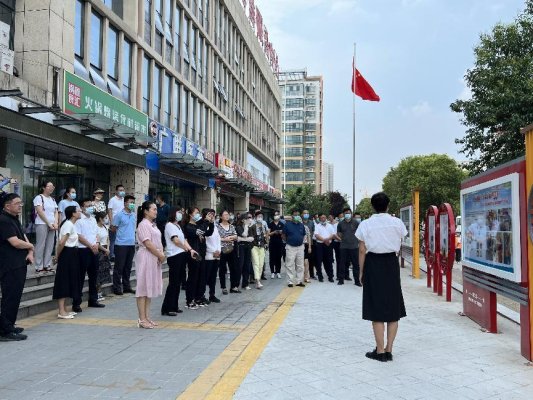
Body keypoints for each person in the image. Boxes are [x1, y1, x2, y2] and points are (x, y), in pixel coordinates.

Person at [355, 192, 407, 362]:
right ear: (388, 205)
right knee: (393, 309)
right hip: (391, 264)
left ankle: (379, 351)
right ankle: (389, 350)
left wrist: (361, 271)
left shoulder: (366, 224)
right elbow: (401, 239)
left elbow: (362, 250)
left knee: (376, 308)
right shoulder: (397, 223)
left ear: (373, 206)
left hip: (373, 263)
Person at [0, 194, 33, 341]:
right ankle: (5, 330)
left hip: (18, 263)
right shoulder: (3, 220)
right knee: (10, 297)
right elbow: (15, 242)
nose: (20, 206)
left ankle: (9, 325)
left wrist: (30, 251)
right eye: (17, 203)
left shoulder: (13, 219)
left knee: (15, 296)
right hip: (10, 265)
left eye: (21, 203)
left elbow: (22, 237)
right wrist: (31, 246)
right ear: (7, 206)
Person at [161, 207, 197, 316]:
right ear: (173, 213)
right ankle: (168, 308)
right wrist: (184, 248)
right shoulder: (169, 225)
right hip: (174, 255)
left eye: (182, 212)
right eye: (179, 212)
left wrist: (190, 249)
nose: (181, 214)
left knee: (178, 283)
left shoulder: (178, 226)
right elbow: (175, 240)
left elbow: (184, 240)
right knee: (173, 282)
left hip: (181, 255)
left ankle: (174, 306)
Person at [135, 201, 165, 329]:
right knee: (143, 288)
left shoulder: (153, 225)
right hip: (146, 256)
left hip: (154, 257)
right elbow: (147, 243)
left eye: (156, 209)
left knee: (149, 288)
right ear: (146, 211)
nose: (156, 211)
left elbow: (158, 242)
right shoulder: (143, 225)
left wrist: (161, 253)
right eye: (153, 209)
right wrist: (159, 255)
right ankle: (141, 319)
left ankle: (147, 317)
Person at [74, 199, 105, 312]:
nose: (91, 207)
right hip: (83, 250)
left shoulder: (93, 219)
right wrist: (90, 245)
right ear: (82, 208)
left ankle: (93, 299)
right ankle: (76, 302)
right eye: (88, 206)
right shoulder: (79, 219)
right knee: (80, 277)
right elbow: (79, 236)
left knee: (94, 276)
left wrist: (96, 244)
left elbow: (96, 234)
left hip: (94, 250)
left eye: (92, 205)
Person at [52, 205, 82, 319]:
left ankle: (64, 309)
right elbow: (61, 243)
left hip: (72, 254)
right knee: (63, 280)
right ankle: (61, 311)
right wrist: (57, 256)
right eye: (78, 211)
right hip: (67, 254)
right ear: (73, 214)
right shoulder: (68, 225)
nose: (80, 212)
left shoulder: (71, 224)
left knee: (69, 279)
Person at [183, 207, 213, 309]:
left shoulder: (198, 225)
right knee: (192, 277)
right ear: (190, 215)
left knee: (201, 277)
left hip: (201, 254)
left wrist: (211, 222)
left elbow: (208, 232)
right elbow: (200, 231)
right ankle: (189, 300)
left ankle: (198, 297)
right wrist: (206, 221)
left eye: (199, 213)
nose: (198, 215)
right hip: (193, 255)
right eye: (196, 213)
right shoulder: (188, 227)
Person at [112, 195, 136, 295]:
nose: (132, 204)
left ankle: (126, 286)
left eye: (133, 203)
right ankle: (117, 288)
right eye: (131, 202)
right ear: (125, 203)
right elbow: (113, 228)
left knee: (128, 267)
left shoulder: (134, 215)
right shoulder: (119, 215)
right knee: (119, 267)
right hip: (121, 244)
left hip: (131, 244)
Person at [33, 181, 59, 273]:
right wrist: (48, 223)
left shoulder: (52, 199)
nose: (52, 188)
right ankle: (38, 266)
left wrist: (55, 223)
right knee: (41, 244)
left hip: (52, 225)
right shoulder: (39, 198)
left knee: (50, 245)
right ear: (44, 187)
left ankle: (46, 265)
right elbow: (40, 212)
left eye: (53, 186)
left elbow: (56, 211)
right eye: (49, 186)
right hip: (42, 223)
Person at [336, 208, 361, 286]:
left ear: (351, 213)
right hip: (344, 246)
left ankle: (357, 281)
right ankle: (341, 280)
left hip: (354, 246)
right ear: (343, 214)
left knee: (356, 264)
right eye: (346, 213)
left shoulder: (356, 222)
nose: (347, 214)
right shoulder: (340, 224)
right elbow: (339, 234)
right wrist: (344, 238)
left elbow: (359, 233)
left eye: (349, 213)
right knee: (342, 263)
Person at [282, 210, 306, 288]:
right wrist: (289, 241)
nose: (297, 216)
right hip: (290, 247)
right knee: (289, 264)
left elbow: (303, 235)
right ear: (292, 216)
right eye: (295, 215)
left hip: (300, 247)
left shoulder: (301, 225)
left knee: (300, 265)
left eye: (298, 215)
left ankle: (299, 281)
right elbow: (283, 235)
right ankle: (290, 281)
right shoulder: (287, 225)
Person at [217, 210, 238, 295]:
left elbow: (236, 236)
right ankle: (223, 287)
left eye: (228, 214)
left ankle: (233, 287)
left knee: (233, 268)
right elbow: (216, 238)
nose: (227, 216)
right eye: (225, 214)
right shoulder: (217, 226)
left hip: (231, 249)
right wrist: (224, 239)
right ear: (221, 217)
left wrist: (232, 237)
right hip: (222, 249)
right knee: (222, 269)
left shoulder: (232, 226)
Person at [205, 209, 222, 302]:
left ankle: (212, 294)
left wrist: (218, 250)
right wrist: (213, 251)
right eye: (210, 215)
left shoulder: (214, 227)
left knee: (213, 276)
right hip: (209, 255)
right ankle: (202, 295)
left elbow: (218, 240)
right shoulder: (205, 226)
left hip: (216, 255)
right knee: (206, 276)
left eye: (213, 215)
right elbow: (206, 241)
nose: (212, 217)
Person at [314, 213, 336, 282]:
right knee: (319, 261)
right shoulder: (317, 226)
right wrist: (324, 240)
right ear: (319, 219)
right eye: (322, 218)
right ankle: (320, 276)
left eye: (324, 217)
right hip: (320, 245)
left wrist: (327, 240)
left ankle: (330, 276)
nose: (323, 219)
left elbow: (333, 234)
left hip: (328, 245)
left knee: (329, 261)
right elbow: (316, 235)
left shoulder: (330, 225)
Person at [95, 212, 111, 301]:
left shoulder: (105, 227)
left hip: (105, 250)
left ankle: (99, 291)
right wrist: (105, 250)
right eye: (105, 218)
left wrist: (108, 248)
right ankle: (96, 292)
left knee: (104, 272)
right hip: (100, 250)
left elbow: (108, 238)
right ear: (100, 219)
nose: (106, 219)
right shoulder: (95, 228)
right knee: (98, 272)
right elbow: (97, 242)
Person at [236, 213, 254, 291]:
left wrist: (242, 238)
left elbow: (252, 238)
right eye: (247, 219)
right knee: (240, 265)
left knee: (247, 265)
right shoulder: (239, 227)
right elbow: (244, 234)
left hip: (248, 247)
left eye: (250, 218)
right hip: (241, 247)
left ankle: (245, 284)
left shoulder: (250, 227)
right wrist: (244, 238)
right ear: (243, 220)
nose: (249, 220)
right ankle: (236, 284)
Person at [107, 185, 126, 260]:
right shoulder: (112, 200)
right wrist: (112, 222)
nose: (122, 192)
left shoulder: (124, 200)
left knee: (120, 239)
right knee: (113, 239)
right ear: (116, 191)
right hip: (114, 223)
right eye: (120, 190)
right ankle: (112, 255)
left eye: (123, 190)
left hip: (122, 224)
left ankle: (118, 254)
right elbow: (109, 210)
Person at [250, 210, 268, 289]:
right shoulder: (252, 226)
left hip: (262, 247)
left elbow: (265, 236)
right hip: (254, 247)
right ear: (255, 217)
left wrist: (266, 243)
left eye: (261, 216)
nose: (260, 218)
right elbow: (251, 237)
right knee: (256, 263)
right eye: (258, 216)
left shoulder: (263, 226)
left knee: (261, 264)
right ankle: (257, 281)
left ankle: (258, 279)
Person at [268, 211, 284, 279]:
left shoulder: (282, 224)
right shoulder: (270, 224)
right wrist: (274, 232)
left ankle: (278, 272)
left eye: (277, 215)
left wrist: (280, 232)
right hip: (272, 243)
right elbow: (268, 233)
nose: (276, 216)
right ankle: (272, 272)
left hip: (279, 243)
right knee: (272, 258)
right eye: (275, 215)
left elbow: (284, 234)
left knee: (278, 257)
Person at [302, 210, 316, 279]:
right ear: (302, 214)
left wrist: (309, 239)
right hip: (301, 244)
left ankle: (311, 274)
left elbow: (313, 231)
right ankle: (303, 274)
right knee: (302, 260)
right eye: (305, 213)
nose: (306, 214)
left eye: (307, 213)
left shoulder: (311, 222)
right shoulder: (300, 222)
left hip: (310, 243)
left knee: (311, 259)